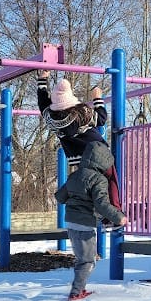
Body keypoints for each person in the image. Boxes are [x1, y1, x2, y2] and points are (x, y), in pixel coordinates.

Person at [55, 140, 128, 301]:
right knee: (87, 261)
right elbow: (102, 205)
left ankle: (79, 288)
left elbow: (60, 197)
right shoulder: (99, 180)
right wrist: (119, 217)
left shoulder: (75, 175)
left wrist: (76, 198)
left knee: (83, 258)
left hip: (71, 222)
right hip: (85, 224)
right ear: (104, 161)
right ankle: (76, 292)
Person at [37, 70, 121, 208]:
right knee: (110, 179)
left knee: (93, 182)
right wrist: (97, 99)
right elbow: (101, 119)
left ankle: (95, 211)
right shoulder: (81, 112)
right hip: (97, 153)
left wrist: (42, 79)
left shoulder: (50, 116)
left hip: (77, 158)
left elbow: (42, 100)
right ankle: (113, 212)